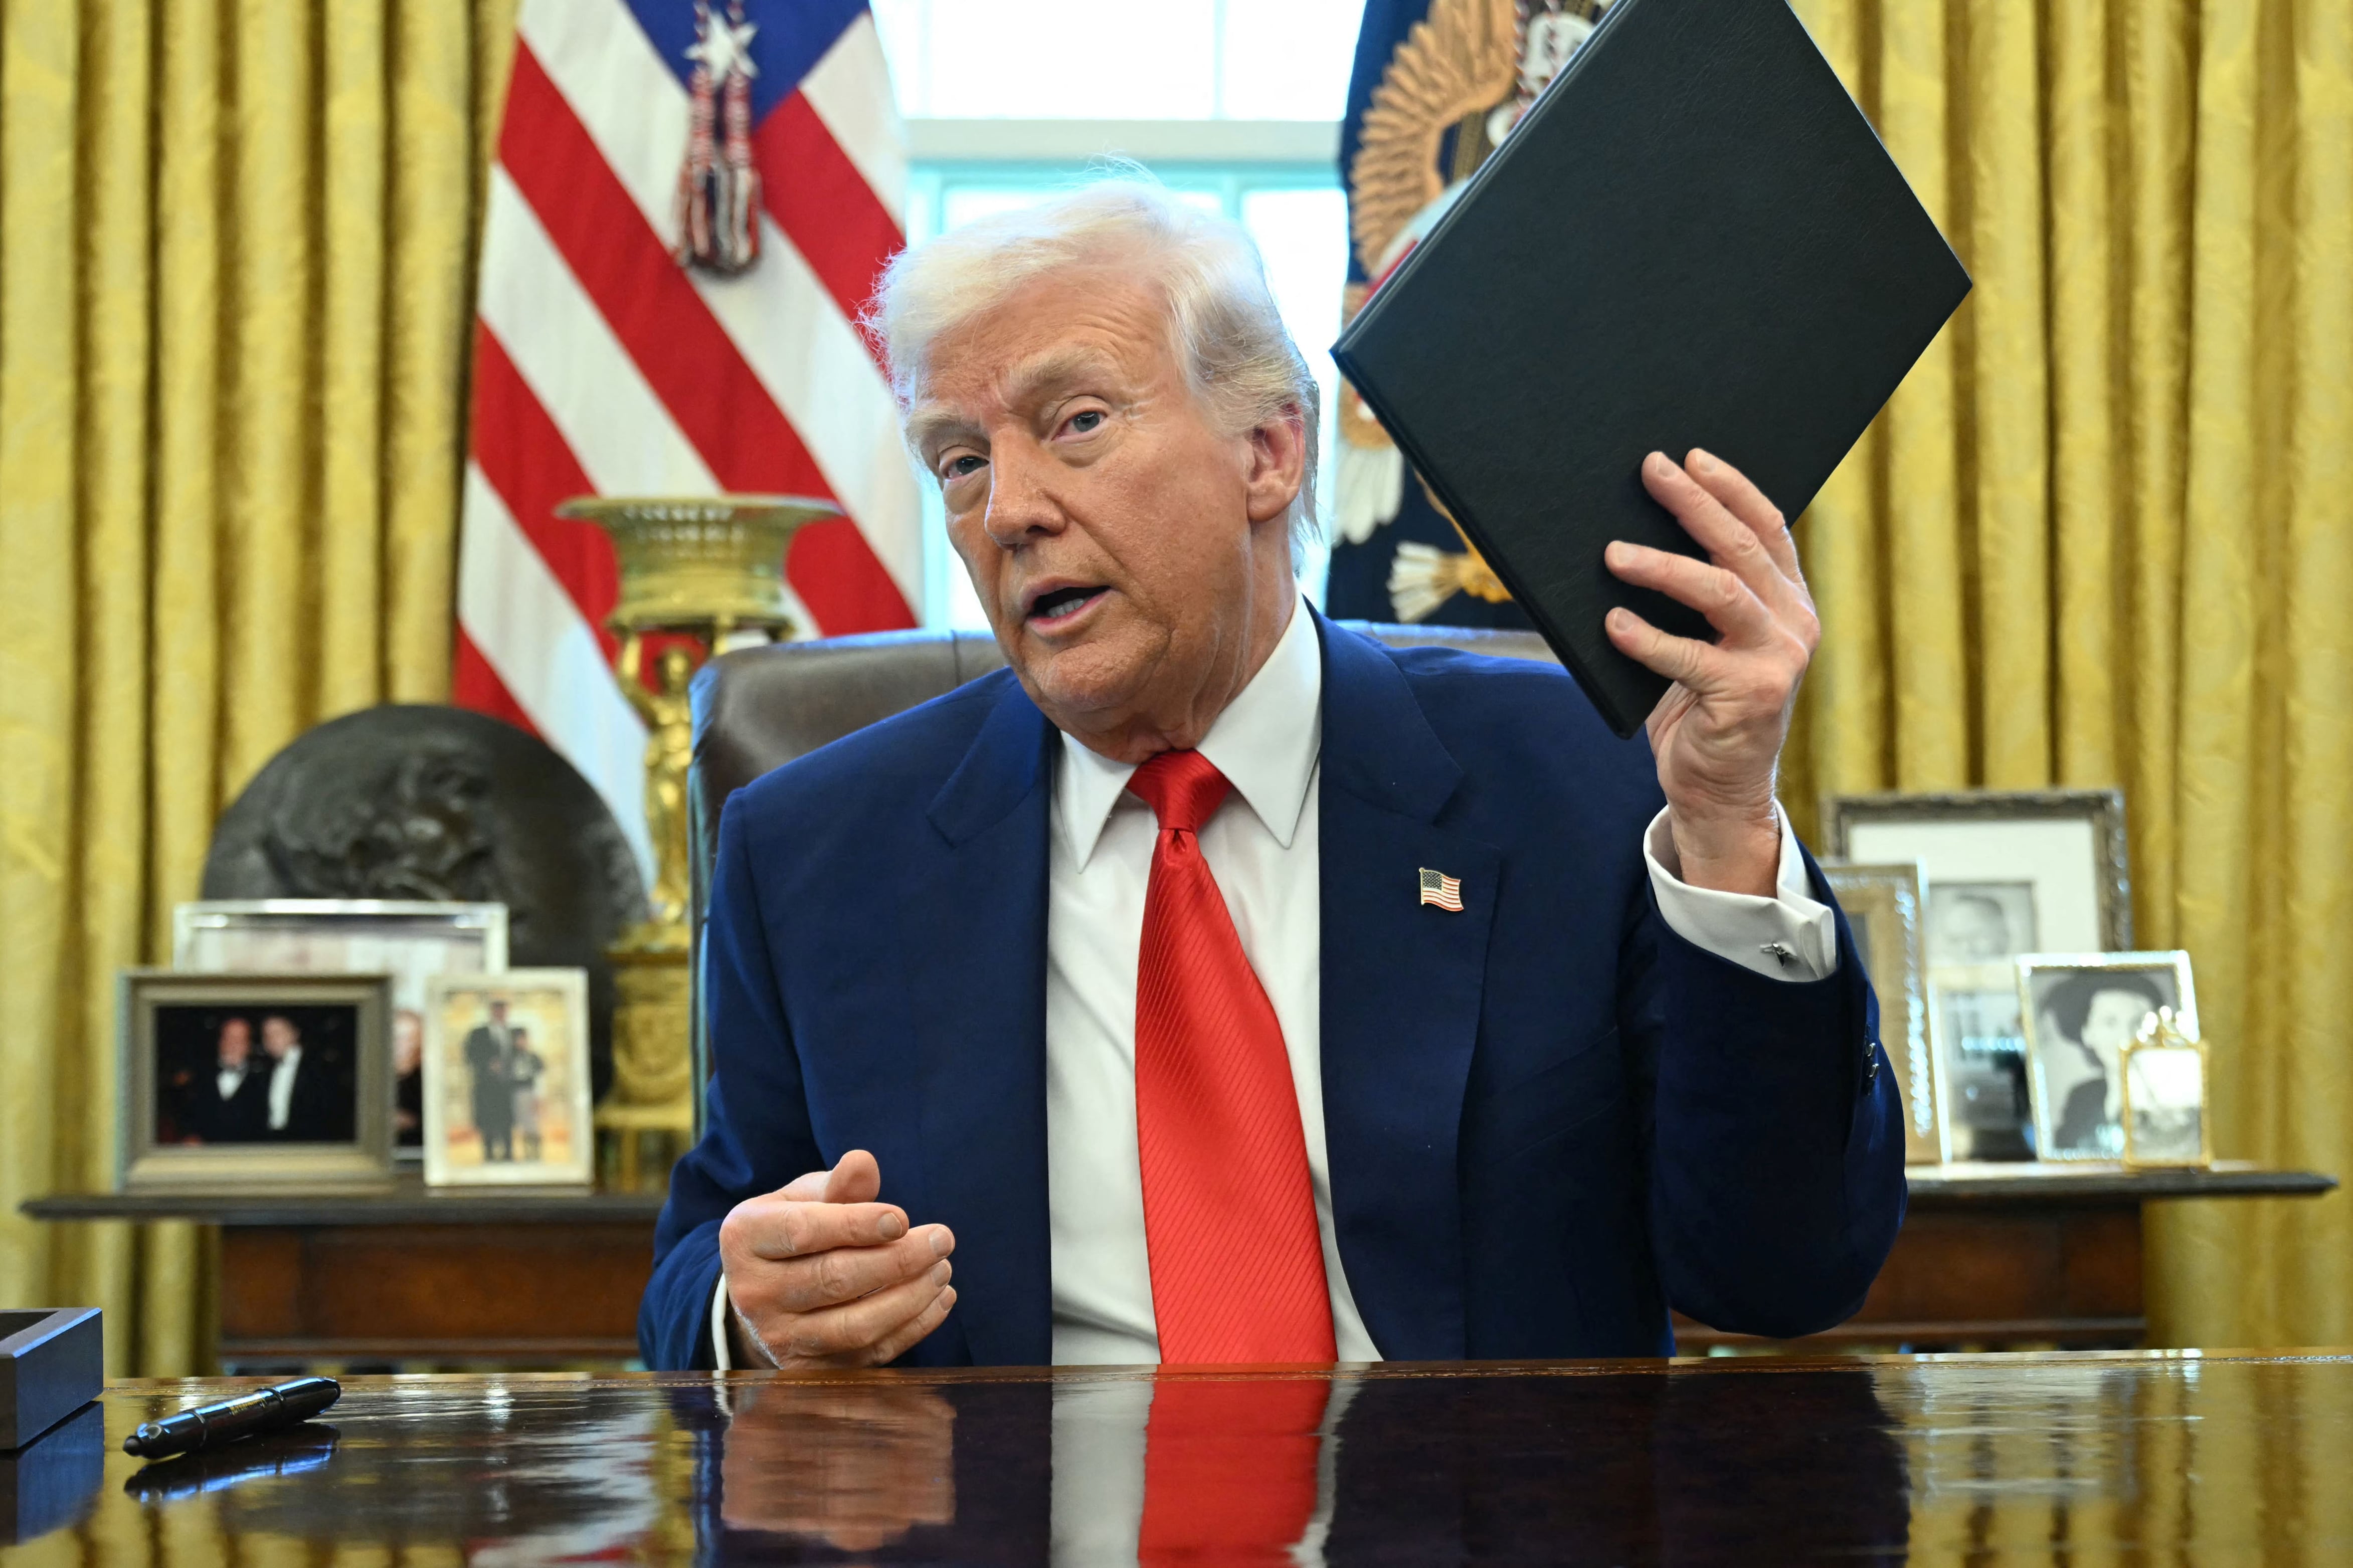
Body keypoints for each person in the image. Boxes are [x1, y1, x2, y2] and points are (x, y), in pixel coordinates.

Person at [640, 181, 1904, 1373]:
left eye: (1075, 421)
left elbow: (1780, 1274)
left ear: (1269, 449)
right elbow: (698, 1265)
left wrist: (1731, 828)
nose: (1008, 507)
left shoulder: (1579, 777)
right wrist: (744, 1309)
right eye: (960, 459)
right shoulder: (816, 848)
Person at [2036, 970, 2169, 1155]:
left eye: (2138, 1023)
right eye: (2110, 1022)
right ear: (2087, 1033)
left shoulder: (2174, 1099)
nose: (2126, 1038)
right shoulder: (2082, 1098)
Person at [258, 1013, 353, 1142]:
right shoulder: (263, 1072)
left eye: (277, 1033)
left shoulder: (320, 1068)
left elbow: (333, 1115)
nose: (271, 1040)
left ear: (295, 1034)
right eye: (266, 1035)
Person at [180, 1016, 270, 1144]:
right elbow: (185, 1116)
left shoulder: (263, 1083)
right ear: (220, 1042)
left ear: (249, 1046)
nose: (233, 1044)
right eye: (228, 1038)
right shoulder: (198, 1077)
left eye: (240, 1040)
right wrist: (189, 1135)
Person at [463, 999, 518, 1162]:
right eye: (497, 1010)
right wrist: (488, 1065)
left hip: (507, 1085)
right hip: (486, 1085)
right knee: (488, 1120)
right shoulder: (479, 1033)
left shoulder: (511, 1032)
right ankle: (489, 1154)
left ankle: (508, 1153)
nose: (501, 1014)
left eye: (503, 1010)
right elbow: (470, 1054)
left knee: (506, 1120)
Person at [509, 1025, 546, 1163]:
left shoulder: (533, 1057)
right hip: (516, 1093)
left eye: (523, 1039)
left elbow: (540, 1079)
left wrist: (539, 1096)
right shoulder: (511, 1057)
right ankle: (527, 1152)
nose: (521, 1042)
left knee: (532, 1124)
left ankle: (535, 1153)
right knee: (523, 1125)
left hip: (529, 1093)